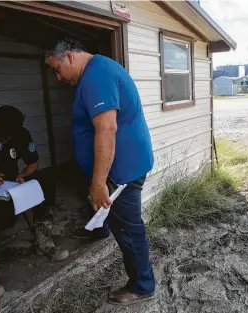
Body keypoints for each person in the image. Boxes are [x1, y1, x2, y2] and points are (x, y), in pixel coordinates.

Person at [44, 39, 156, 305]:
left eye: (57, 69)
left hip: (122, 170)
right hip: (116, 166)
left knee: (128, 228)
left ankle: (142, 285)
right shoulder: (97, 71)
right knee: (101, 204)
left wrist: (99, 181)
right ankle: (100, 229)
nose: (58, 77)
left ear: (69, 56)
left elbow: (107, 129)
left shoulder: (97, 75)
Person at [0, 105, 67, 260]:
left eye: (11, 136)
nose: (8, 139)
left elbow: (33, 163)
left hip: (13, 184)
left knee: (45, 181)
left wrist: (21, 175)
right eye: (4, 136)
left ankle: (43, 233)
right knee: (3, 218)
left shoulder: (21, 134)